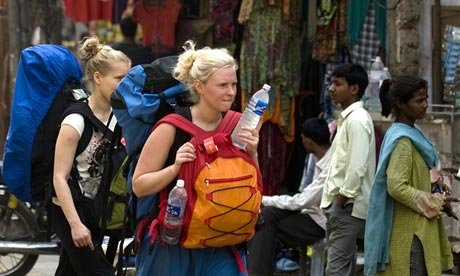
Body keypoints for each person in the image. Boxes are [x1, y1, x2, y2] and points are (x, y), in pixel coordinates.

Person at [132, 40, 261, 275]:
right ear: (199, 86)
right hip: (174, 246)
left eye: (233, 84)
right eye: (222, 85)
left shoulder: (238, 125)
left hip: (223, 244)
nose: (231, 92)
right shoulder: (171, 127)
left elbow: (252, 183)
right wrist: (174, 168)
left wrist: (253, 153)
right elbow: (139, 186)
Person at [51, 36, 131, 275]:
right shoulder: (74, 121)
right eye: (119, 79)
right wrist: (75, 225)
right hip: (69, 210)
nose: (125, 85)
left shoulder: (119, 117)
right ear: (98, 78)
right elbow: (58, 178)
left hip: (95, 210)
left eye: (128, 78)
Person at [364, 75, 455, 275]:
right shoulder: (403, 141)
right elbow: (396, 186)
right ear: (401, 104)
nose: (425, 105)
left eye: (426, 99)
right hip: (410, 234)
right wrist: (436, 202)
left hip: (418, 230)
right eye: (419, 100)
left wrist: (440, 194)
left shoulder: (413, 133)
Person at [247, 117, 332, 276]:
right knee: (266, 215)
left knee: (267, 230)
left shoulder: (330, 166)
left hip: (318, 219)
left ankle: (256, 272)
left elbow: (302, 201)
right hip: (307, 207)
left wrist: (263, 199)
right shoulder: (315, 157)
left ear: (308, 140)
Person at [320, 63, 376, 276]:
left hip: (348, 207)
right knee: (342, 267)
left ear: (354, 88)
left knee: (336, 269)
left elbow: (356, 168)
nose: (332, 89)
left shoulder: (357, 121)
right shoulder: (349, 119)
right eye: (331, 83)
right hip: (343, 206)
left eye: (337, 84)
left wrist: (341, 201)